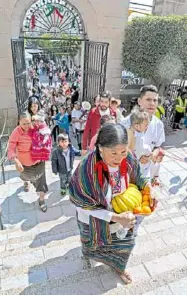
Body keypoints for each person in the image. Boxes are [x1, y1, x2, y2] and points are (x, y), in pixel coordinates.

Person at [69, 124, 155, 284]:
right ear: (100, 148)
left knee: (125, 243)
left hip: (124, 211)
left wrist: (148, 188)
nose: (119, 157)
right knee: (92, 245)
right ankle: (89, 255)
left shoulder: (127, 156)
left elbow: (138, 175)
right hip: (93, 217)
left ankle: (119, 267)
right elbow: (82, 203)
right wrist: (114, 216)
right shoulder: (87, 168)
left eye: (123, 151)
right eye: (113, 153)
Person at [120, 85, 165, 183]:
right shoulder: (124, 123)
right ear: (139, 101)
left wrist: (155, 154)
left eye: (155, 100)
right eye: (148, 99)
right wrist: (135, 159)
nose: (152, 103)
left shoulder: (159, 125)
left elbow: (158, 146)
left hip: (145, 175)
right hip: (125, 175)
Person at [8, 112, 48, 212]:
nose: (26, 126)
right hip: (24, 164)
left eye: (28, 123)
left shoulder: (35, 127)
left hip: (38, 161)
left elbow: (46, 130)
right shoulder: (16, 132)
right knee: (27, 177)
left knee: (41, 182)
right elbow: (11, 147)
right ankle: (26, 181)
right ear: (19, 122)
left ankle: (42, 200)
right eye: (23, 124)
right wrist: (15, 160)